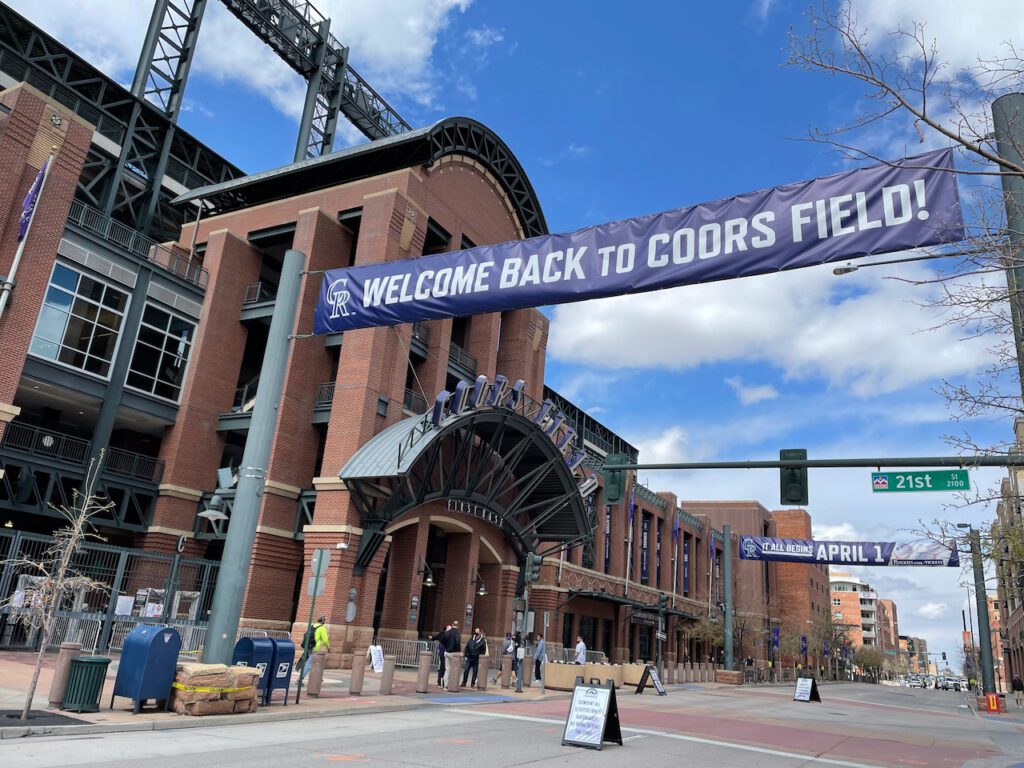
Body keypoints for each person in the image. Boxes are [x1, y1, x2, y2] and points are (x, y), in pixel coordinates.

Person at [432, 623, 453, 687]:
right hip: (443, 652)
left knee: (444, 667)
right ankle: (441, 682)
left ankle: (442, 682)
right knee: (443, 667)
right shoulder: (444, 635)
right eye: (449, 629)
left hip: (446, 652)